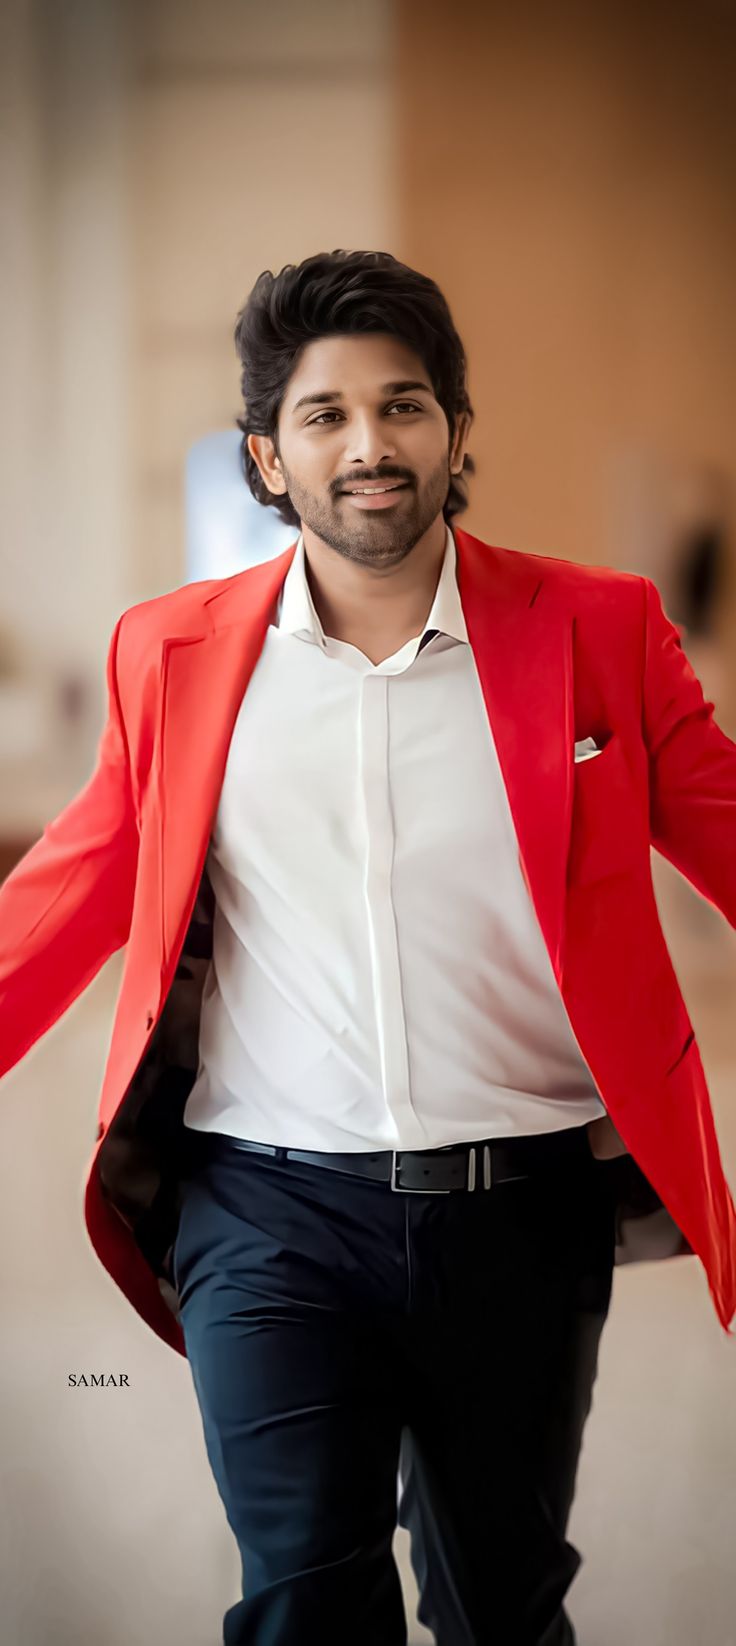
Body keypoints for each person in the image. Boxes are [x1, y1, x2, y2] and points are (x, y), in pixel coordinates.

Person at [1, 249, 735, 1646]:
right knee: (301, 1602)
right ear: (267, 458)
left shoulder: (597, 630)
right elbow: (68, 891)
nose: (369, 444)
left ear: (458, 431)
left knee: (497, 1605)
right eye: (325, 415)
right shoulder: (170, 651)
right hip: (266, 1212)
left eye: (403, 405)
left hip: (519, 1207)